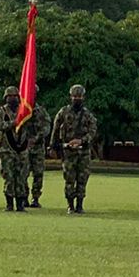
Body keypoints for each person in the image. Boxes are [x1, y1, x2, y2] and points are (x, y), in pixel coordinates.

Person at [51, 84, 97, 214]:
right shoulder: (63, 112)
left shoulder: (88, 115)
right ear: (70, 97)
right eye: (75, 96)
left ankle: (80, 205)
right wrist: (53, 146)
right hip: (68, 152)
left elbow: (93, 131)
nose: (77, 99)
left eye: (79, 96)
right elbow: (55, 128)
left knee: (82, 179)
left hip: (83, 152)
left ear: (83, 97)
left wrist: (82, 140)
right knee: (69, 179)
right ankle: (70, 205)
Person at [0, 86, 30, 212]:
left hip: (22, 149)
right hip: (6, 150)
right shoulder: (1, 111)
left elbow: (34, 124)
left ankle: (20, 204)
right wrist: (13, 123)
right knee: (8, 177)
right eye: (10, 96)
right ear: (5, 98)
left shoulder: (24, 110)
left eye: (14, 96)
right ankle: (9, 204)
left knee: (21, 177)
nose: (12, 98)